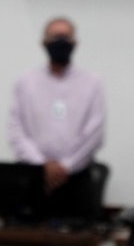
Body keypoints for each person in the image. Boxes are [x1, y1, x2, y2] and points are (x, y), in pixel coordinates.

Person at [8, 17, 106, 218]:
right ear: (43, 42)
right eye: (55, 37)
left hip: (76, 178)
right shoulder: (26, 82)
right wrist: (42, 165)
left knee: (77, 234)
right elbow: (16, 129)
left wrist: (65, 166)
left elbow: (95, 132)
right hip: (34, 177)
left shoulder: (92, 82)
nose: (60, 42)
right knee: (27, 232)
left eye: (65, 37)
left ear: (75, 42)